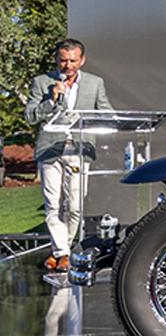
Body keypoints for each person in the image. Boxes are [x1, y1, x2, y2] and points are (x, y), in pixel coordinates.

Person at [24, 40, 112, 271]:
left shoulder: (95, 83)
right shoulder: (42, 82)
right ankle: (63, 253)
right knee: (53, 205)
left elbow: (107, 113)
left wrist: (110, 121)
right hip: (50, 149)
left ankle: (61, 251)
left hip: (80, 150)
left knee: (74, 206)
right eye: (63, 60)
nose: (68, 65)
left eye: (73, 60)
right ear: (56, 59)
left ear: (82, 60)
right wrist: (51, 99)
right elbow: (31, 117)